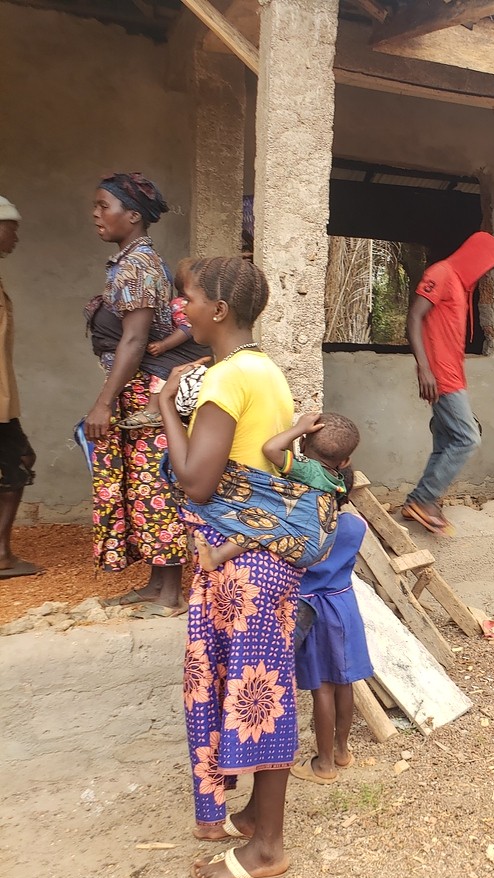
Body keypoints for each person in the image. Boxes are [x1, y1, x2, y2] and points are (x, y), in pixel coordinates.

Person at [156, 255, 299, 878]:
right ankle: (255, 817)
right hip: (262, 557)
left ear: (217, 310)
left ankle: (268, 848)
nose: (181, 308)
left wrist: (166, 405)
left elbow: (196, 481)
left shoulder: (224, 379)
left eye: (188, 297)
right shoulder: (264, 370)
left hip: (242, 566)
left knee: (254, 695)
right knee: (256, 689)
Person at [83, 173, 203, 616]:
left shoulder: (138, 265)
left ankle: (170, 594)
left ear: (132, 216)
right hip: (138, 390)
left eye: (104, 205)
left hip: (150, 393)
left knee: (156, 486)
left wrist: (103, 403)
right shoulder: (129, 262)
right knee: (143, 488)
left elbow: (134, 341)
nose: (96, 213)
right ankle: (156, 584)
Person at [402, 232, 494, 536]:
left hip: (452, 374)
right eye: (488, 265)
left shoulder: (461, 285)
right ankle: (424, 499)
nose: (486, 272)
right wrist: (424, 368)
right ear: (476, 256)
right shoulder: (442, 273)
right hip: (441, 376)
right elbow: (414, 317)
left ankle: (416, 502)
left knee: (446, 440)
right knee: (467, 438)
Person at [190, 411, 359, 572]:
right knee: (268, 526)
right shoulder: (335, 480)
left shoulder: (307, 469)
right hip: (320, 545)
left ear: (302, 443)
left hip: (305, 542)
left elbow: (270, 449)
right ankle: (216, 556)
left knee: (261, 525)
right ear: (345, 462)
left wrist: (298, 428)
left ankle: (217, 556)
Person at [290, 510, 374, 785]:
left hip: (314, 610)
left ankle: (324, 764)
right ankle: (341, 751)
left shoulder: (303, 523)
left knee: (323, 687)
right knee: (344, 681)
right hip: (344, 604)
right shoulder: (355, 524)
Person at [0, 196, 39, 579]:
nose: (16, 237)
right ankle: (1, 554)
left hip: (4, 398)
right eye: (11, 229)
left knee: (21, 459)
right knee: (17, 461)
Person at [119, 258, 198, 430]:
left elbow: (187, 328)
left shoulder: (181, 305)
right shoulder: (181, 304)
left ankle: (153, 409)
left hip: (185, 354)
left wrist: (164, 345)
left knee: (161, 374)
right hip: (186, 354)